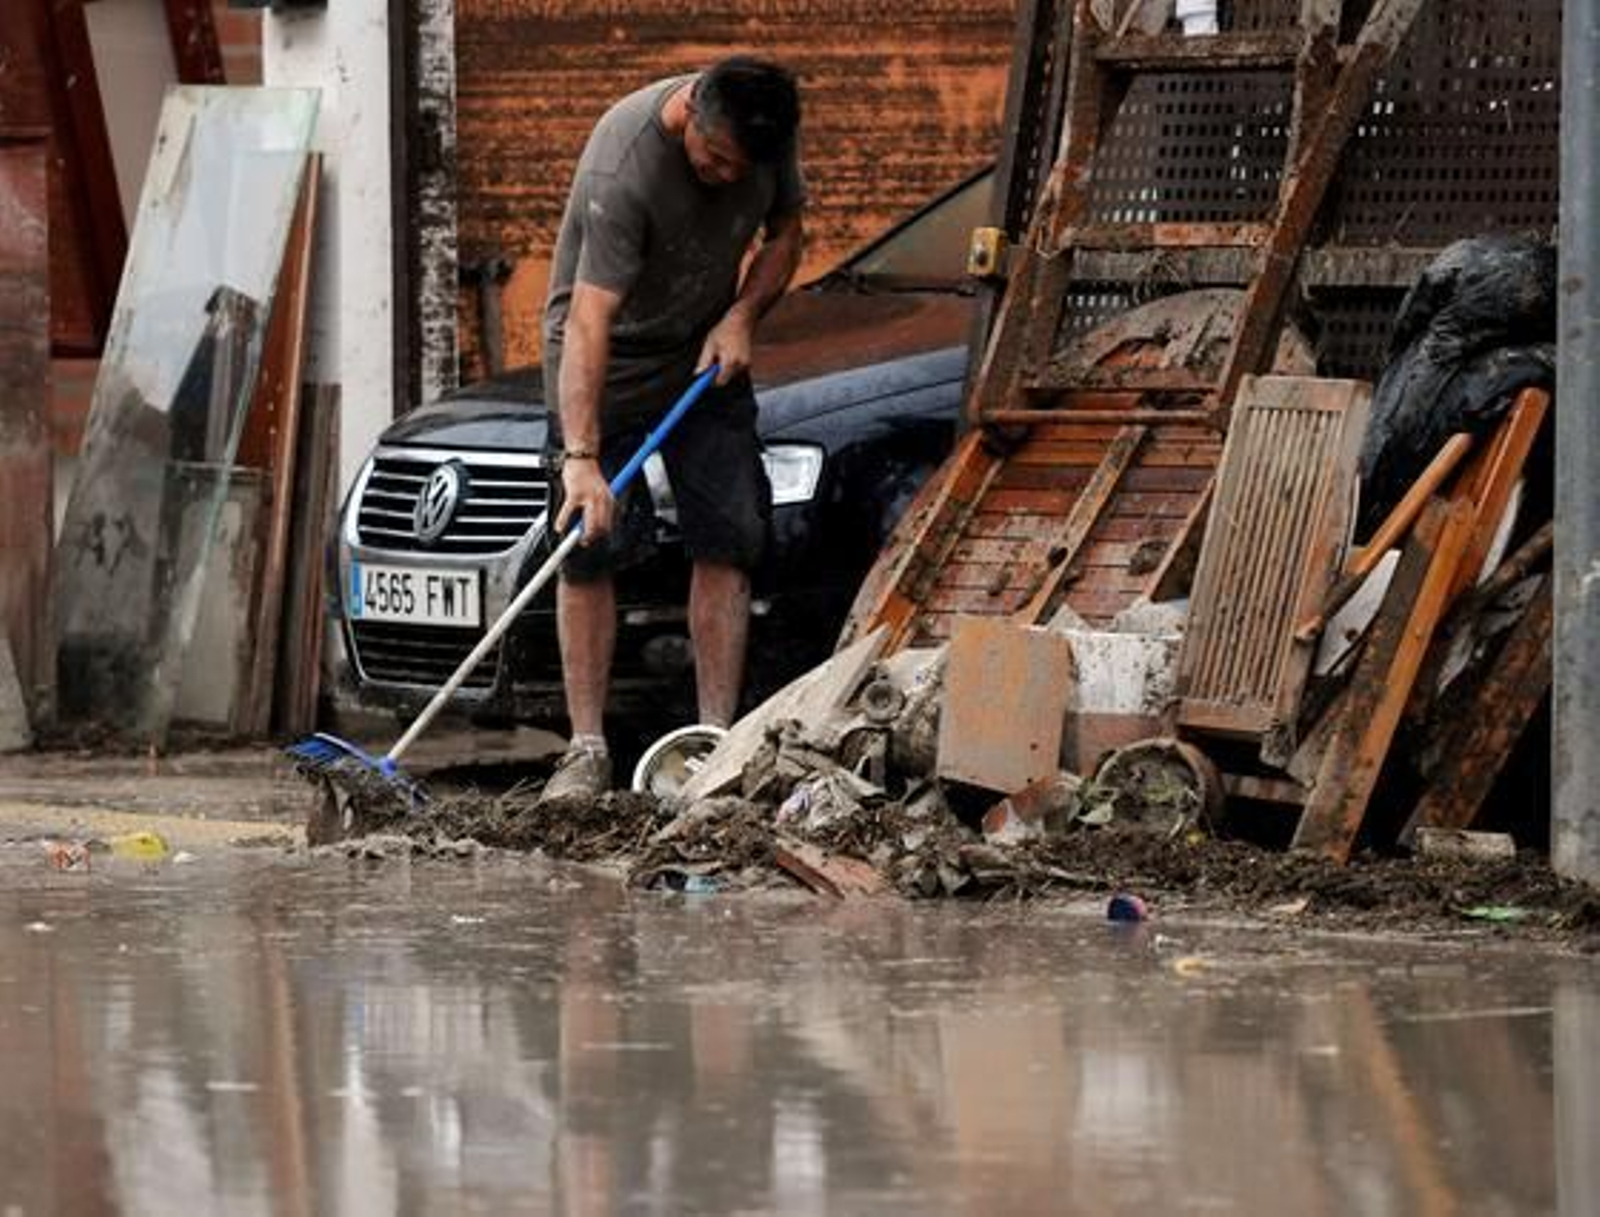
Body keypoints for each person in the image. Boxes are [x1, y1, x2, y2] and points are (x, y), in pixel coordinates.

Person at [537, 56, 806, 801]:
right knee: (591, 546)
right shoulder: (625, 165)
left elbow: (786, 235)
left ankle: (711, 742)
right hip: (608, 364)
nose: (724, 176)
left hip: (703, 360)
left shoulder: (767, 140)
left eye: (738, 168)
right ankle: (586, 749)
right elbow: (589, 318)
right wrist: (581, 457)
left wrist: (741, 316)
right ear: (689, 113)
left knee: (728, 533)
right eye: (713, 159)